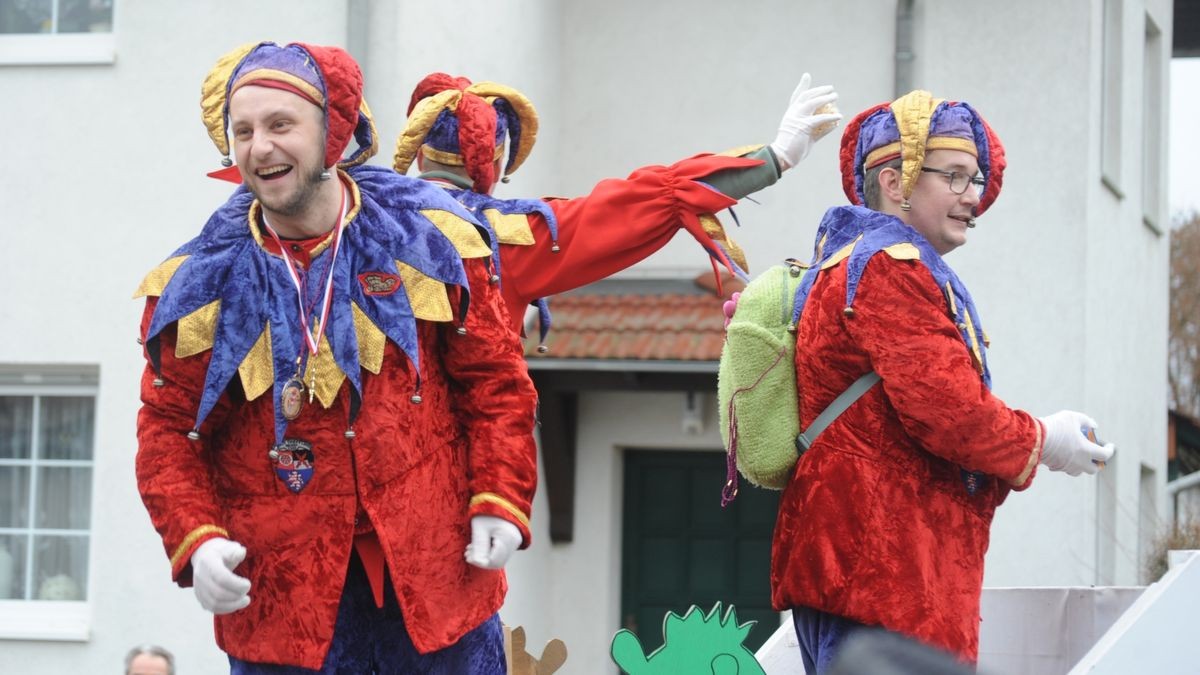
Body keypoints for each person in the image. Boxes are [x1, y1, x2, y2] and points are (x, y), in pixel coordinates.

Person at [134, 42, 536, 673]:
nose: (259, 146)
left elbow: (495, 386)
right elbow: (167, 432)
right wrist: (198, 539)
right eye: (242, 131)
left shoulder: (430, 239)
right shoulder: (198, 284)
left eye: (280, 125)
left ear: (334, 132)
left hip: (437, 587)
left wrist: (500, 497)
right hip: (282, 612)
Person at [769, 90, 1115, 672]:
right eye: (954, 177)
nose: (973, 198)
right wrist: (1044, 440)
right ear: (895, 182)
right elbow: (951, 413)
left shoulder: (857, 259)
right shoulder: (888, 266)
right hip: (880, 567)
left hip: (869, 567)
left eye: (975, 180)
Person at [393, 72, 842, 345]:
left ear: (417, 151)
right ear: (491, 163)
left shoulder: (357, 211)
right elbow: (651, 201)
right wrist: (776, 157)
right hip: (456, 463)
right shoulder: (510, 235)